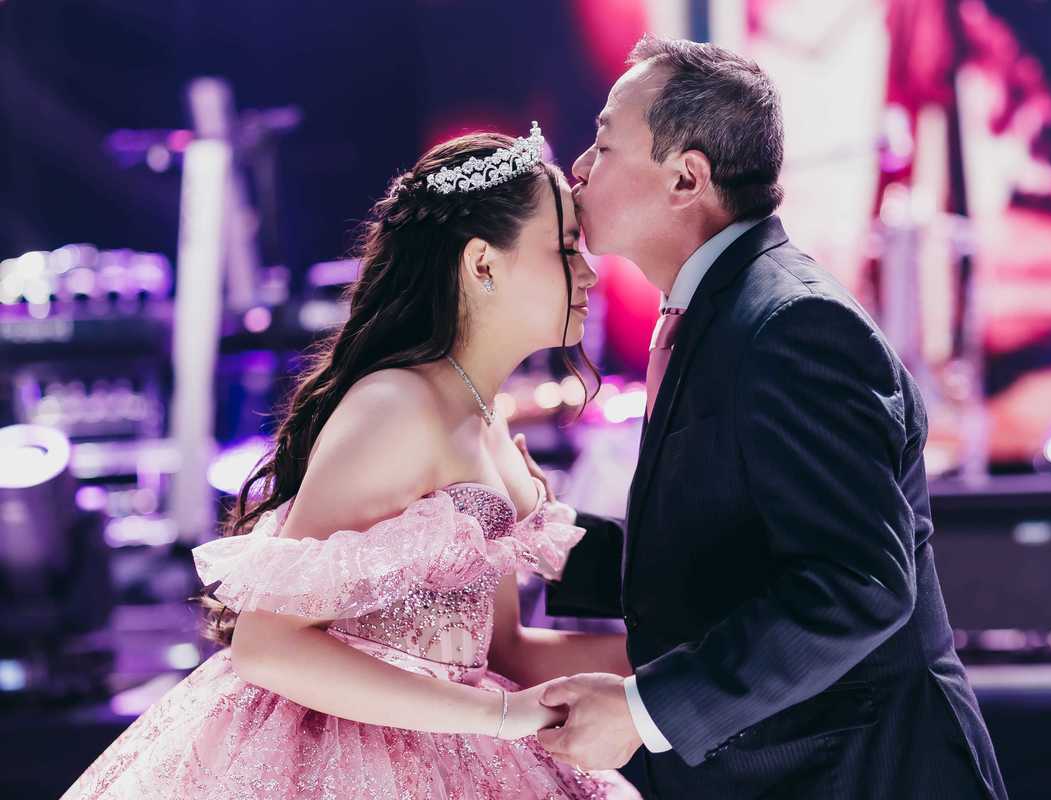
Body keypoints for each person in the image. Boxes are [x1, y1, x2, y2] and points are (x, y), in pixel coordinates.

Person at [61, 124, 639, 800]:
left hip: (461, 738)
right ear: (482, 263)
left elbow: (503, 648)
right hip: (336, 760)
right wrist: (500, 715)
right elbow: (267, 644)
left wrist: (680, 669)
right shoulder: (398, 406)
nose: (589, 271)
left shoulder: (484, 413)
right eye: (566, 248)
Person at [533, 35, 1009, 799]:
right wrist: (544, 540)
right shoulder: (721, 309)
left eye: (604, 142)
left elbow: (857, 584)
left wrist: (644, 711)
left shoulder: (792, 324)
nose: (580, 168)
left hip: (866, 775)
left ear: (686, 177)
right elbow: (723, 562)